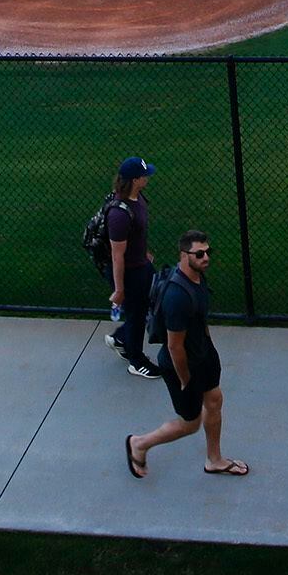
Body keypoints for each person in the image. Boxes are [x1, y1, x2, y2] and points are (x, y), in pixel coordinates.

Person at [125, 229, 248, 478]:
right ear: (184, 255)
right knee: (190, 424)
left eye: (208, 252)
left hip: (203, 354)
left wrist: (208, 344)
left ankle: (214, 460)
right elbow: (174, 346)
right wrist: (185, 379)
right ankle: (138, 444)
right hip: (182, 366)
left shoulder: (199, 278)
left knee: (214, 400)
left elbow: (200, 318)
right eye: (200, 253)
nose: (206, 258)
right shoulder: (177, 297)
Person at [102, 157, 160, 379]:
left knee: (146, 307)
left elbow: (136, 235)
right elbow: (117, 257)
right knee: (137, 315)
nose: (148, 177)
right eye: (145, 175)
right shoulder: (119, 215)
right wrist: (119, 290)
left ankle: (120, 339)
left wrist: (143, 252)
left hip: (140, 265)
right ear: (135, 180)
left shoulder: (138, 199)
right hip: (128, 272)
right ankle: (136, 361)